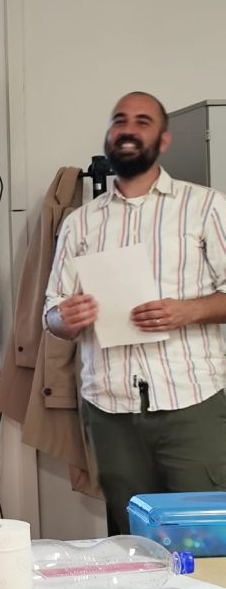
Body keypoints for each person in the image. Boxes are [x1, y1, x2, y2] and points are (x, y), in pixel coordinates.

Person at [44, 91, 226, 534]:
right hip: (109, 410)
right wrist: (65, 318)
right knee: (131, 542)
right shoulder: (80, 222)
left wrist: (187, 311)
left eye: (142, 121)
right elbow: (51, 314)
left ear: (163, 140)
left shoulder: (205, 206)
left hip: (192, 401)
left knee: (203, 539)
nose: (128, 129)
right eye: (119, 120)